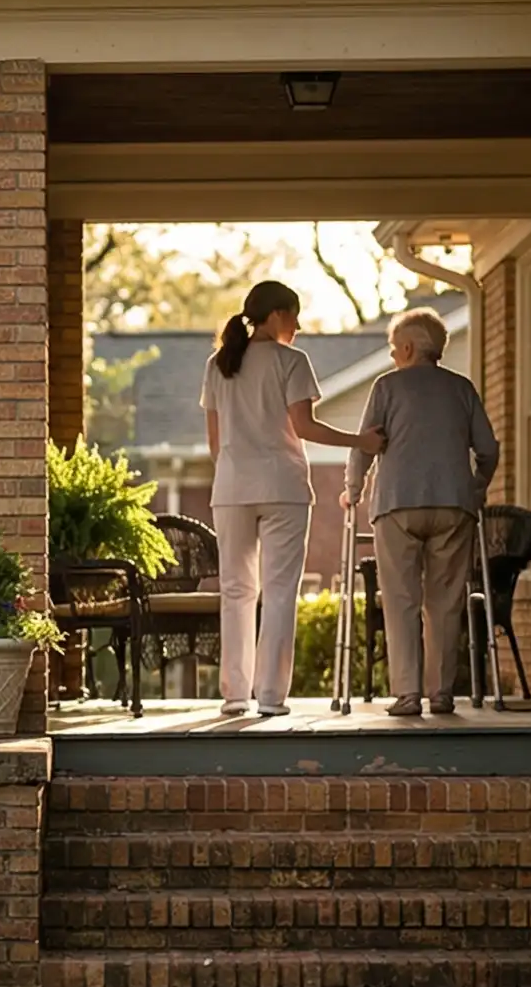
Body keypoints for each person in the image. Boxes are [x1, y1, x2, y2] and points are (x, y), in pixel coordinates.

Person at [203, 281, 384, 717]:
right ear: (275, 315)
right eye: (294, 315)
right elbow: (305, 427)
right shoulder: (291, 361)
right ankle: (270, 697)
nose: (298, 326)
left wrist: (235, 470)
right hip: (282, 487)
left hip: (231, 489)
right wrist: (361, 440)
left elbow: (215, 442)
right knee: (280, 591)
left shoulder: (219, 364)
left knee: (235, 592)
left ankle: (233, 696)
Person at [342, 306, 501, 717]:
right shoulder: (462, 389)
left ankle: (408, 693)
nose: (393, 356)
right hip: (454, 504)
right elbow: (488, 449)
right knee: (446, 601)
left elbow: (366, 442)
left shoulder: (387, 387)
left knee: (400, 599)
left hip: (397, 503)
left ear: (409, 348)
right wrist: (477, 486)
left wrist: (352, 489)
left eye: (395, 349)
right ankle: (442, 693)